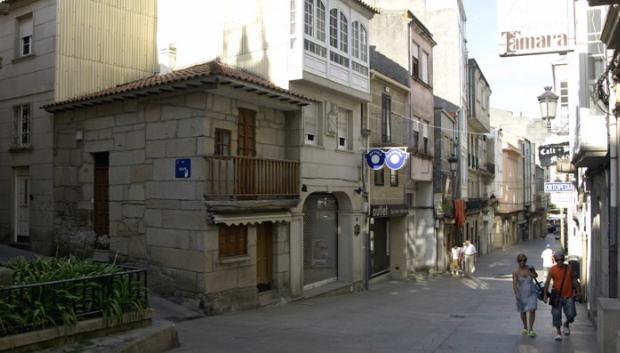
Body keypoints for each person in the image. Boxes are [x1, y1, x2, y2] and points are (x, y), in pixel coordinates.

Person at [544, 251, 581, 341]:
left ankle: (566, 323)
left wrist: (579, 292)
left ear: (564, 259)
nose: (559, 261)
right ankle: (558, 332)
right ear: (555, 260)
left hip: (569, 295)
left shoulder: (569, 268)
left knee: (571, 314)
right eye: (557, 260)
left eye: (561, 259)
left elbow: (574, 280)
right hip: (557, 296)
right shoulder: (552, 269)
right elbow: (547, 282)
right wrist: (545, 294)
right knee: (556, 314)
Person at [512, 253, 538, 337]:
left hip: (532, 292)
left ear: (526, 260)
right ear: (518, 261)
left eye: (524, 260)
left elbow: (535, 276)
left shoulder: (530, 268)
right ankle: (525, 327)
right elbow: (515, 284)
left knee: (532, 309)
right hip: (522, 293)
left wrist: (532, 273)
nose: (522, 262)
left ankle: (531, 329)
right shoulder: (516, 272)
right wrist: (516, 294)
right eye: (520, 260)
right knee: (523, 311)